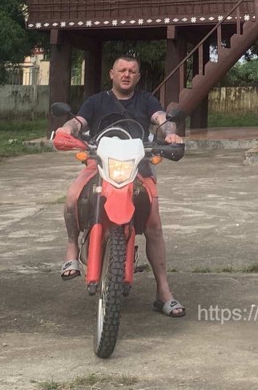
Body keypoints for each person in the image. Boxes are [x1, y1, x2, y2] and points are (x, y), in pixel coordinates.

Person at [54, 55, 187, 318]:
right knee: (71, 197)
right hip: (100, 164)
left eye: (132, 71)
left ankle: (163, 291)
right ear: (112, 74)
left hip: (140, 166)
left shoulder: (146, 100)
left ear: (138, 77)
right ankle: (71, 248)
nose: (127, 75)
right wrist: (66, 129)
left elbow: (161, 118)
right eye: (122, 70)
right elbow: (78, 122)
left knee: (154, 225)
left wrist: (170, 131)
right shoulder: (96, 101)